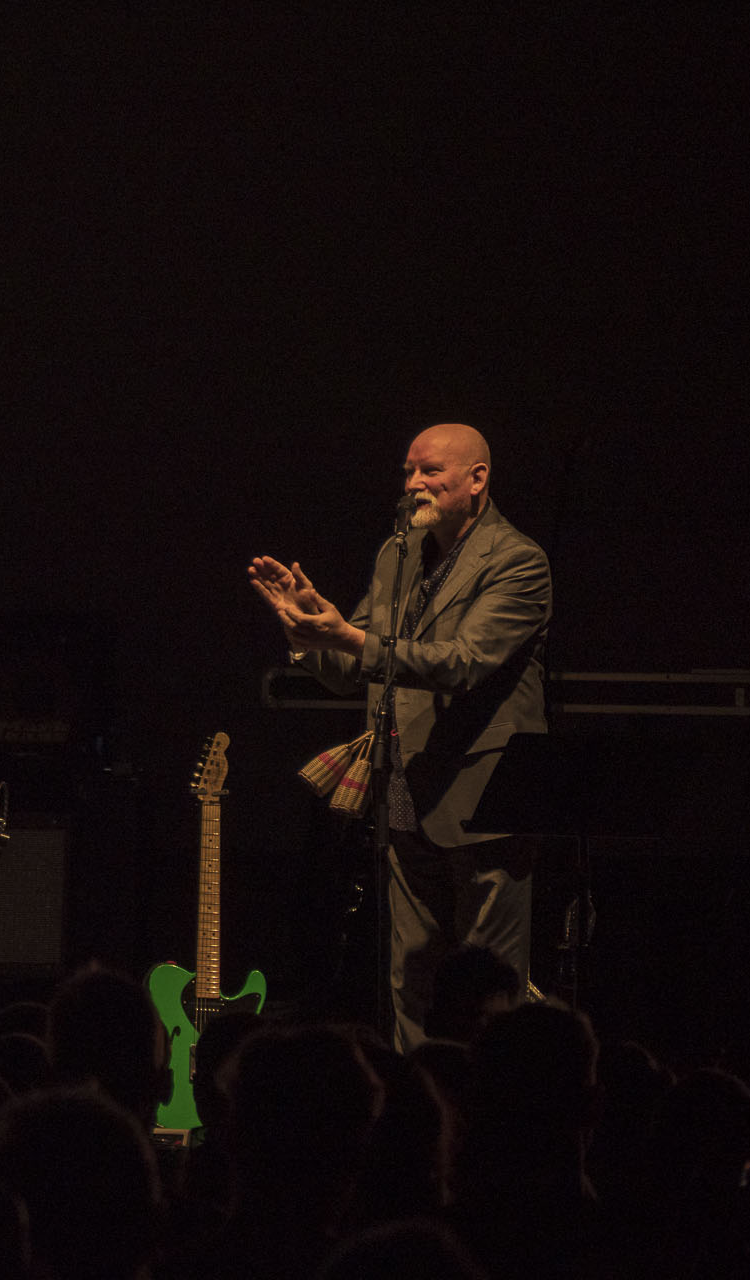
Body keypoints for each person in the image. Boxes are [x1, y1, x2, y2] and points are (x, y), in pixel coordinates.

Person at [248, 422, 549, 1052]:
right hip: (404, 797)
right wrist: (307, 632)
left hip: (483, 802)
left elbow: (461, 662)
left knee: (489, 989)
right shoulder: (398, 554)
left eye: (430, 471)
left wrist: (350, 639)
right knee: (410, 980)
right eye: (408, 470)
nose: (414, 483)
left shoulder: (519, 561)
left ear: (477, 478)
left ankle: (495, 1125)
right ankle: (421, 1115)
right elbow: (358, 666)